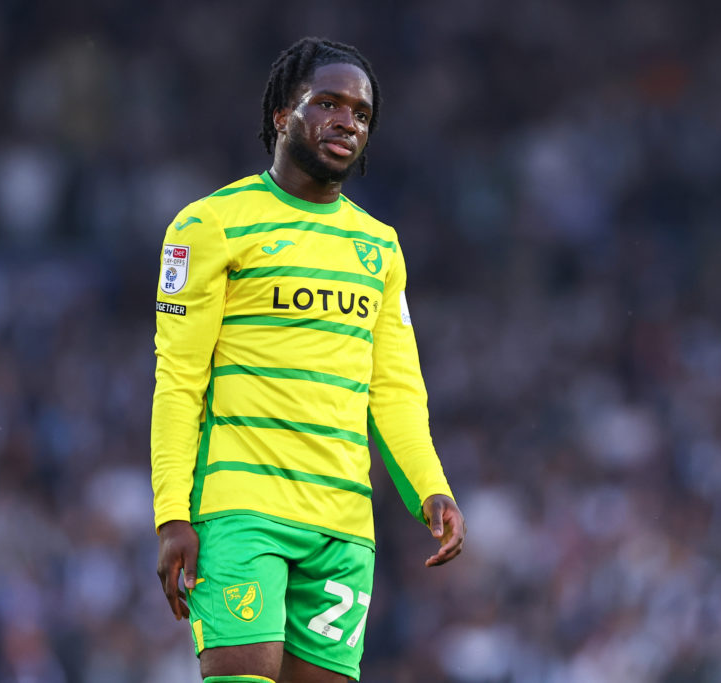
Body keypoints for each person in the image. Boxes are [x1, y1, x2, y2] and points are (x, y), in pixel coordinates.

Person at [150, 37, 466, 683]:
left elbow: (396, 388)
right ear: (280, 115)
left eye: (361, 112)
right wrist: (172, 514)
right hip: (241, 509)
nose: (346, 121)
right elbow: (179, 380)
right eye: (327, 102)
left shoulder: (380, 248)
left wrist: (431, 486)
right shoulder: (209, 225)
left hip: (343, 525)